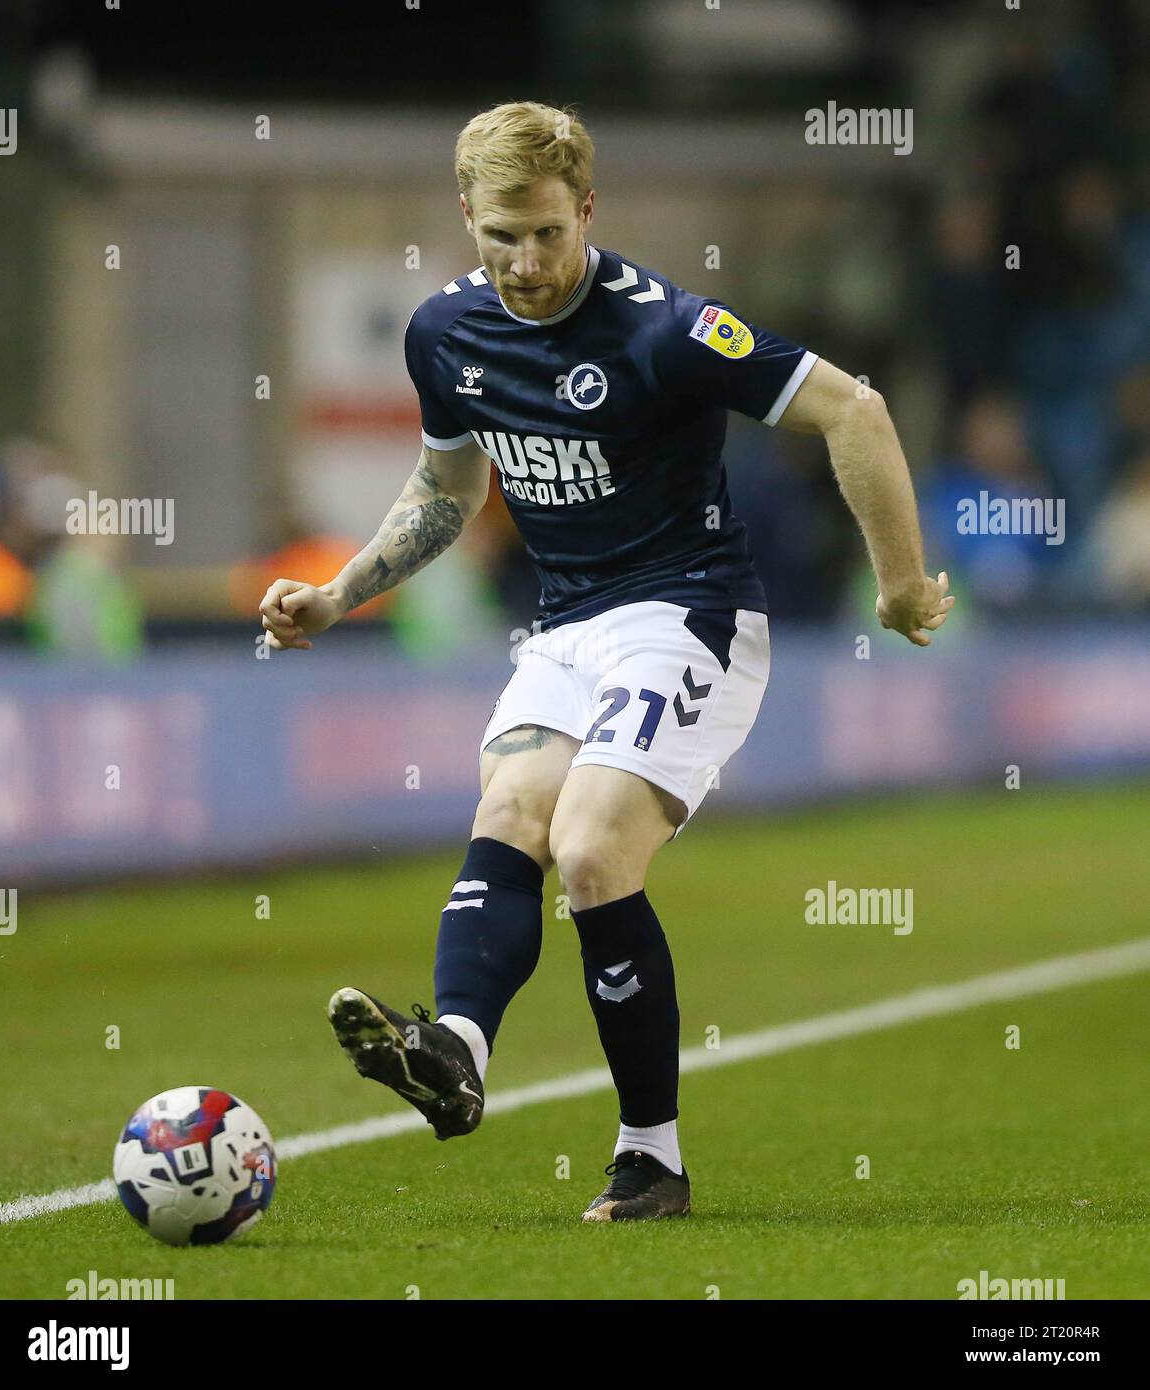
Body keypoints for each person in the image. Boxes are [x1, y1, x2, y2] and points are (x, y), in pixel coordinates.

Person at [259, 101, 954, 1223]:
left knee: (586, 851)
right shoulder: (443, 333)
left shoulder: (664, 330)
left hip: (690, 617)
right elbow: (448, 488)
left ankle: (651, 1156)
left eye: (545, 233)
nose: (525, 263)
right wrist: (339, 593)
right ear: (465, 220)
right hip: (566, 629)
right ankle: (456, 1050)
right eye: (500, 238)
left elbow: (853, 408)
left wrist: (901, 582)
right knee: (513, 808)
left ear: (585, 208)